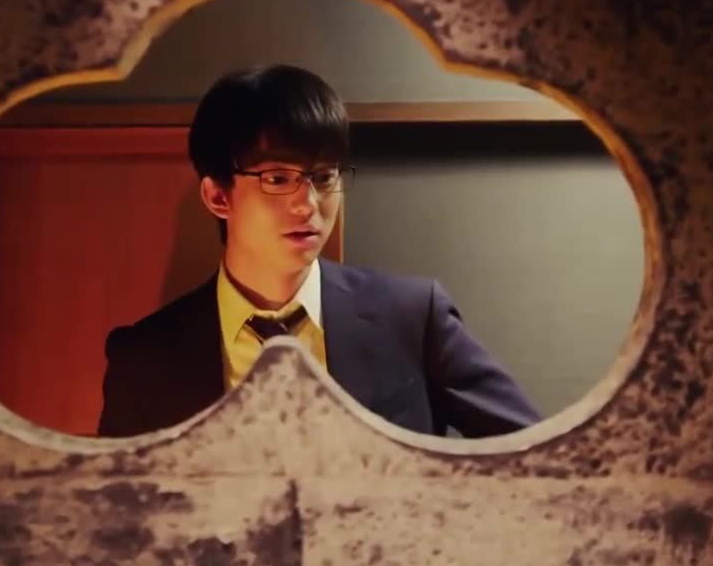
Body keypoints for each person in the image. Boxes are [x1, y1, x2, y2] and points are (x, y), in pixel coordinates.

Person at [97, 64, 541, 438]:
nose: (308, 204)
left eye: (324, 177)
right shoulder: (145, 357)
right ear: (218, 197)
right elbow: (112, 506)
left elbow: (536, 456)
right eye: (277, 179)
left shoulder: (411, 316)